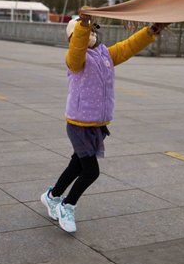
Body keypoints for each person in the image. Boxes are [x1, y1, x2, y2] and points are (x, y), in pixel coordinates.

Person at [40, 12, 169, 233]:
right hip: (79, 124)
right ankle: (67, 205)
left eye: (92, 29)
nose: (90, 34)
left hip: (96, 125)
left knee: (76, 165)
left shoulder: (105, 54)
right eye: (84, 32)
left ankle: (51, 196)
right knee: (91, 171)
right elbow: (78, 46)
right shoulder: (75, 59)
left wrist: (152, 30)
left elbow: (129, 46)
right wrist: (82, 24)